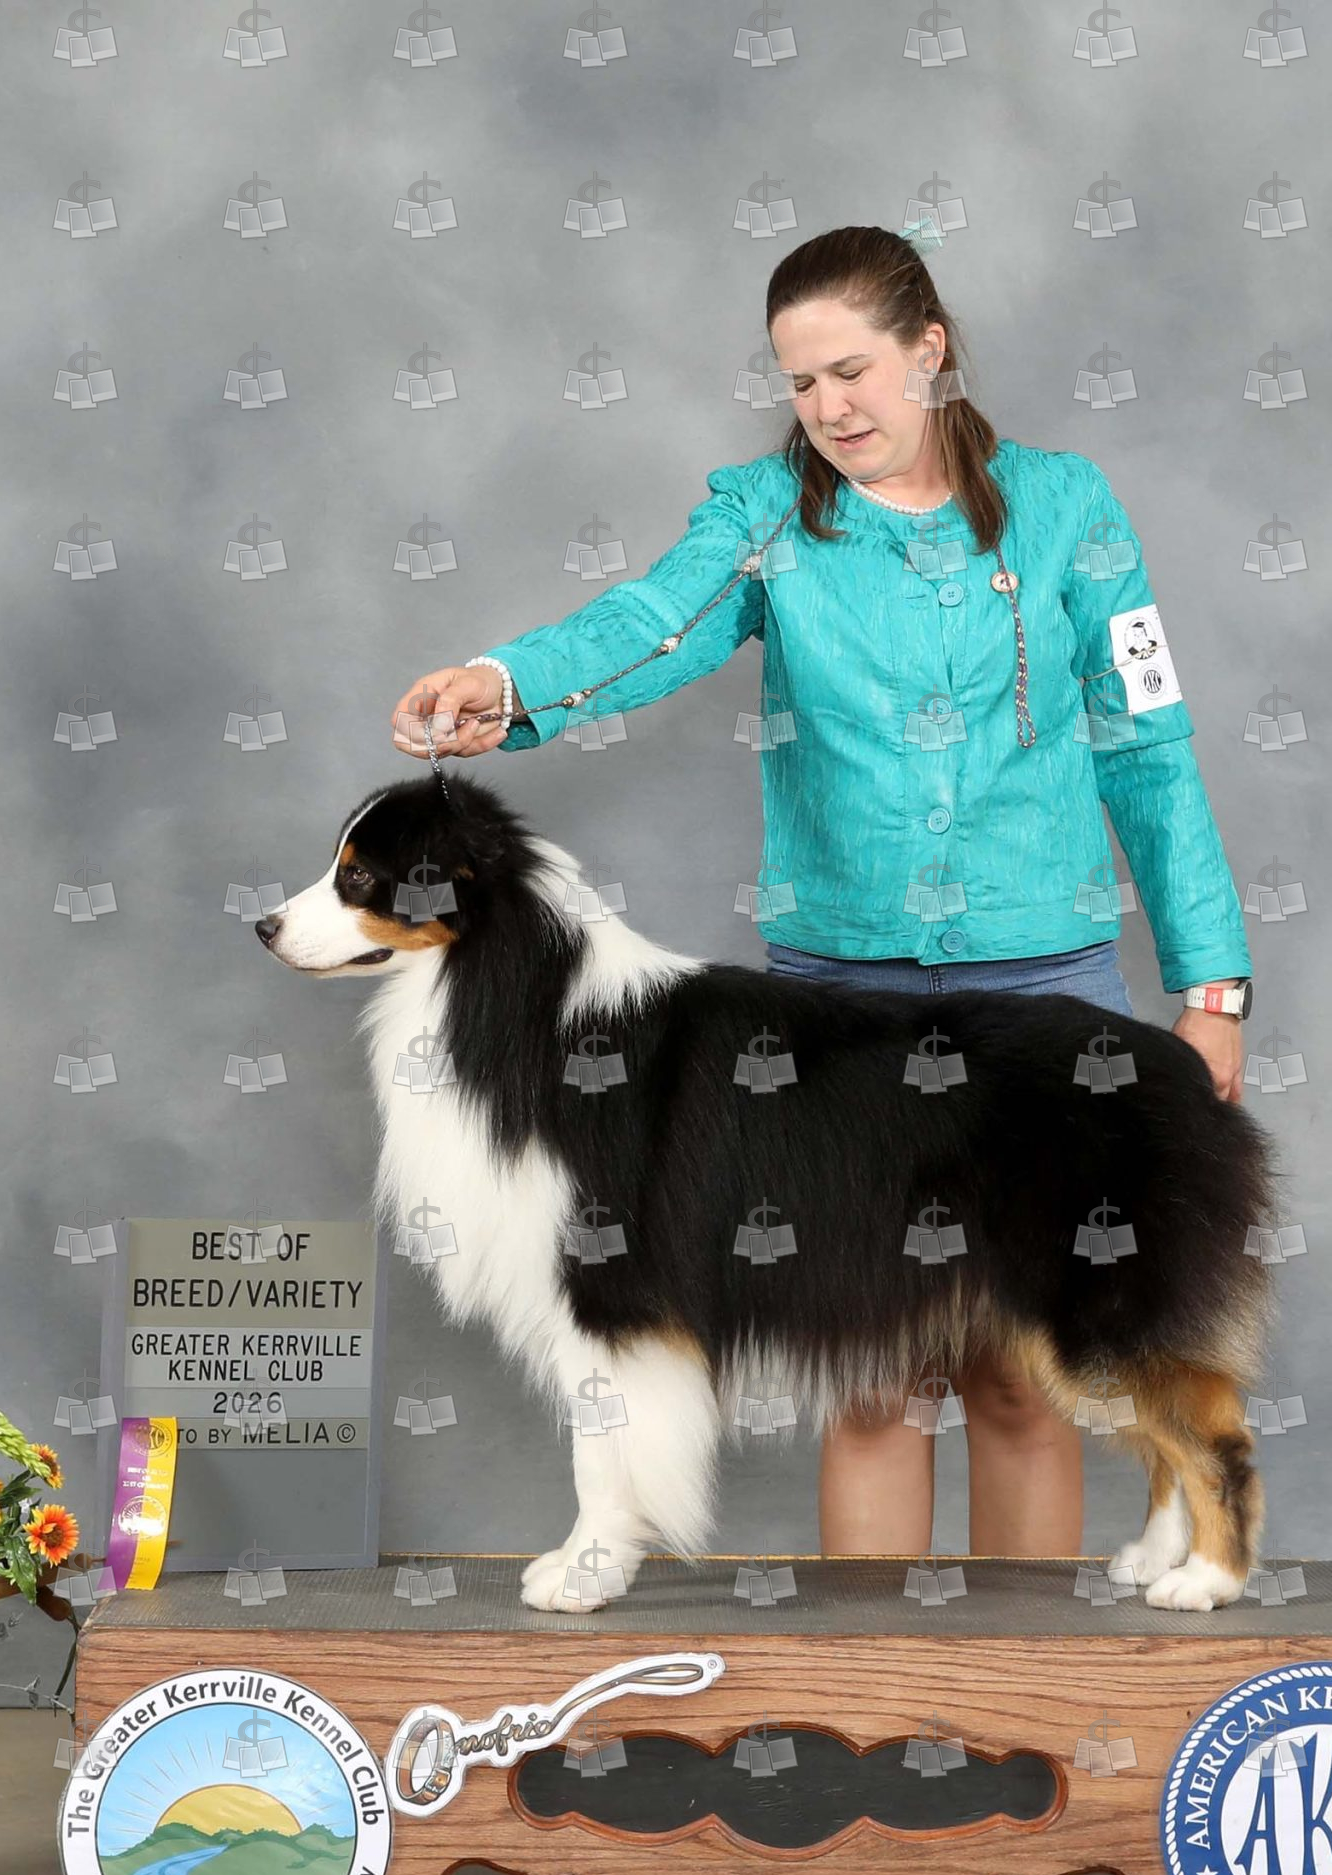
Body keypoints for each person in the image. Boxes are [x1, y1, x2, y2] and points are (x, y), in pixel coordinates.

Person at [386, 222, 1253, 1565]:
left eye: (851, 371)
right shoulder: (759, 514)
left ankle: (1022, 1674)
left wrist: (1213, 986)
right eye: (799, 382)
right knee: (870, 1378)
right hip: (840, 1005)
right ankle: (882, 1684)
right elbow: (646, 625)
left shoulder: (1071, 507)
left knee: (1027, 1386)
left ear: (930, 351)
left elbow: (1150, 743)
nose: (829, 408)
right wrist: (505, 684)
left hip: (1045, 986)